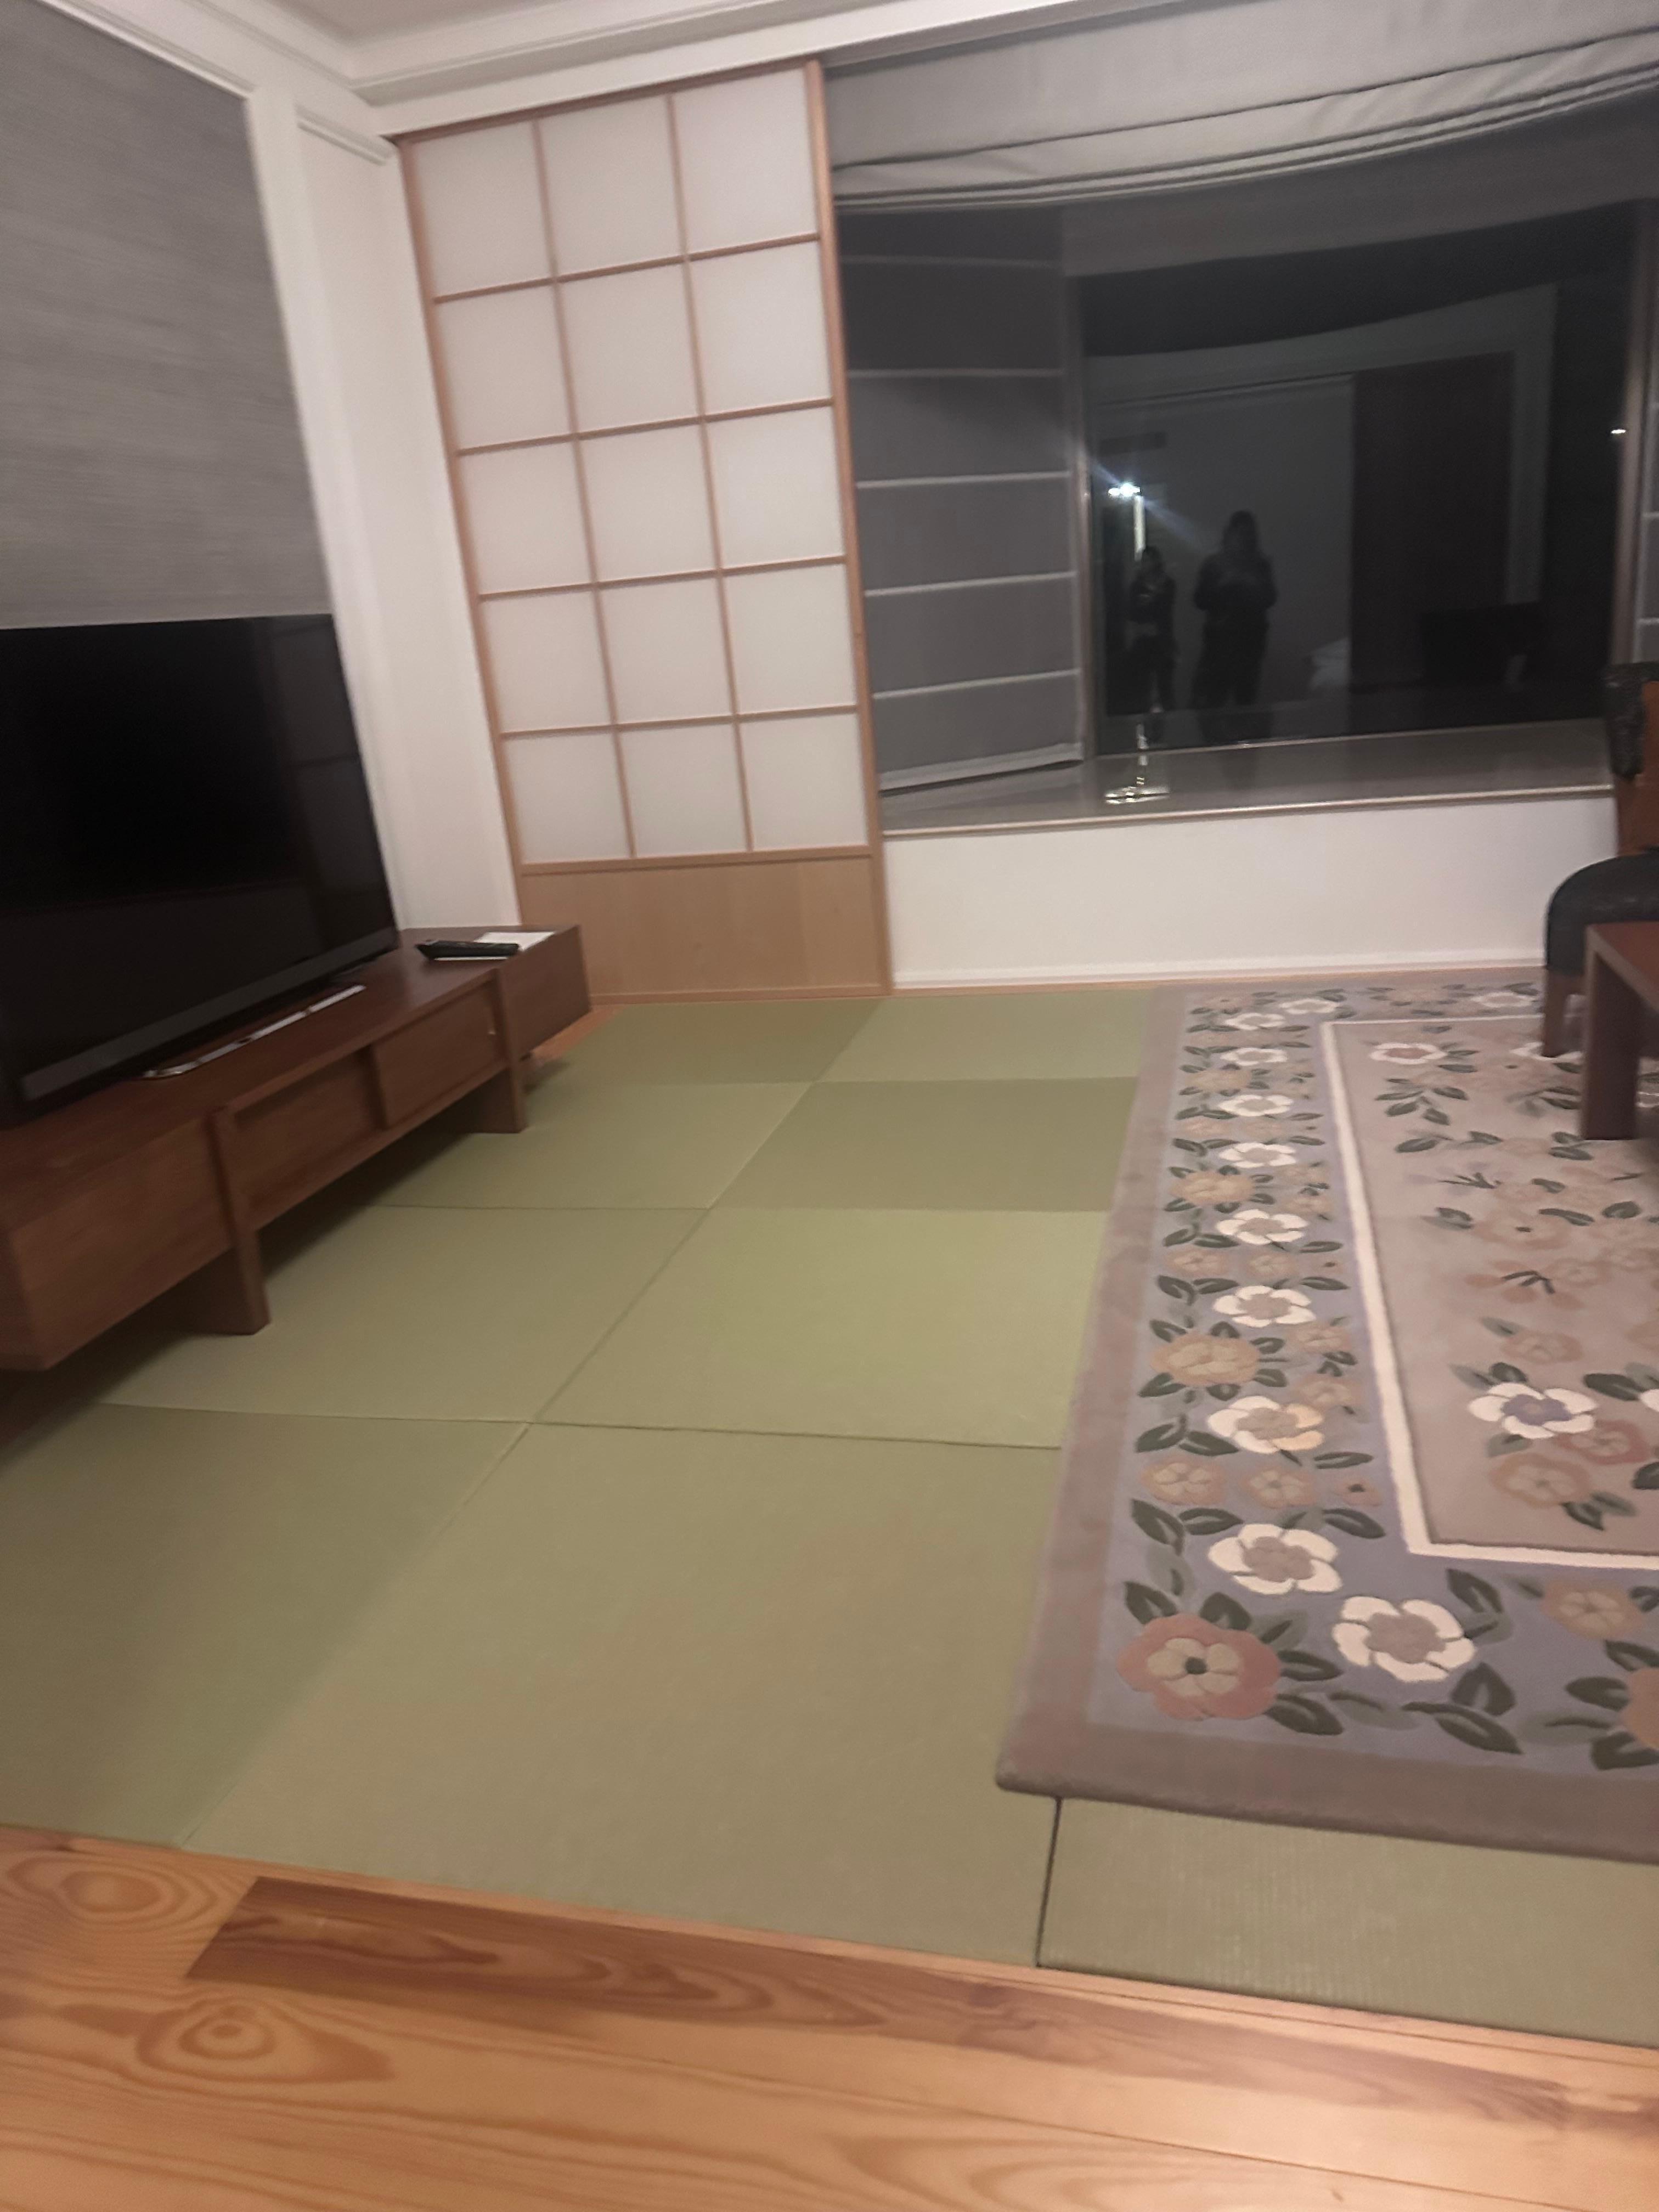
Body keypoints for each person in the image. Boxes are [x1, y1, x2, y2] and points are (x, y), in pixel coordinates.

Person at [1192, 510, 1277, 715]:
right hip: (1219, 643)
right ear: (1229, 534)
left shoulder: (1259, 564)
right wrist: (1223, 584)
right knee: (1214, 702)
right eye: (1239, 534)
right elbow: (1200, 600)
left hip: (1249, 643)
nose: (1241, 539)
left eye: (1246, 535)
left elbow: (1270, 598)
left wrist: (1252, 584)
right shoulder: (1214, 565)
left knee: (1245, 701)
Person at [1121, 543, 1176, 714]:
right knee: (1141, 688)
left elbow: (1164, 611)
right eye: (1142, 561)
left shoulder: (1168, 585)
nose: (1144, 565)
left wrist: (1150, 599)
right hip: (1142, 644)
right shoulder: (1136, 587)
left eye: (1148, 560)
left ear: (1156, 562)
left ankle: (1166, 719)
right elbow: (1132, 614)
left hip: (1163, 644)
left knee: (1165, 687)